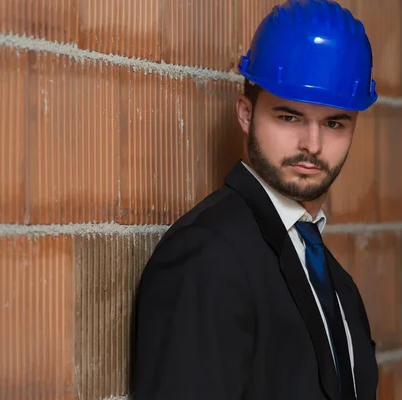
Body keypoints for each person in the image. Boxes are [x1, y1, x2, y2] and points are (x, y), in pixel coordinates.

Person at [132, 0, 379, 399]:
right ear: (246, 114)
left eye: (334, 123)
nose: (312, 145)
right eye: (289, 117)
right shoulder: (208, 255)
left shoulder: (332, 279)